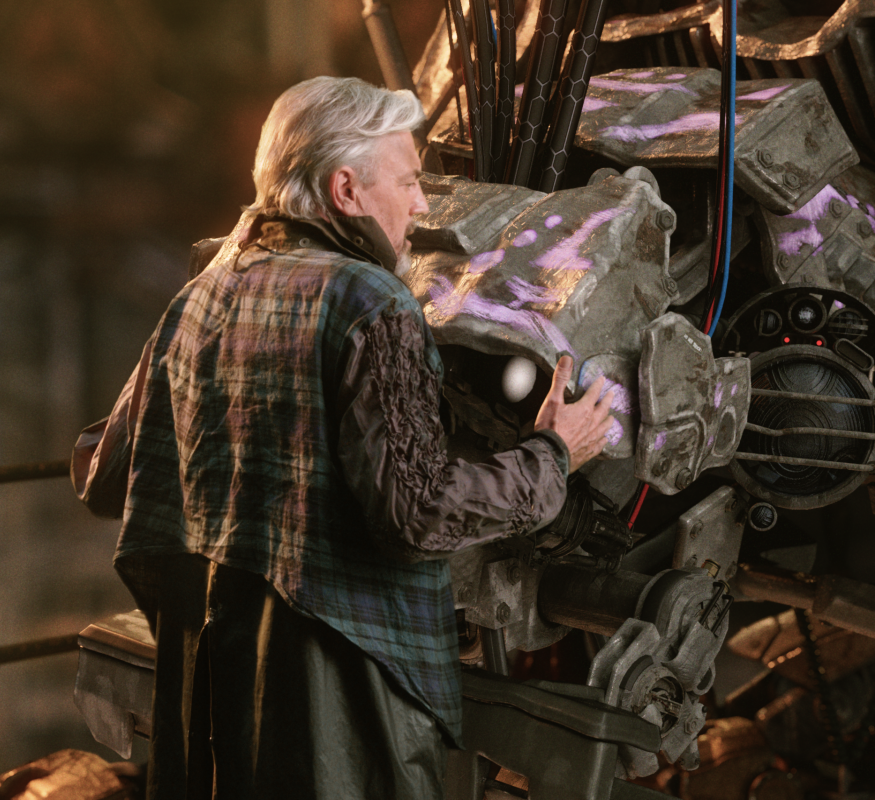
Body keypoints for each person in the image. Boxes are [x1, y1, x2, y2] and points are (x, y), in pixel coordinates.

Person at [72, 75, 617, 798]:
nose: (421, 205)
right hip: (344, 697)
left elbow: (105, 472)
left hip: (210, 678)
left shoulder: (201, 294)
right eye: (410, 181)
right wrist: (553, 455)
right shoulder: (369, 299)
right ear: (346, 189)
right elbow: (418, 513)